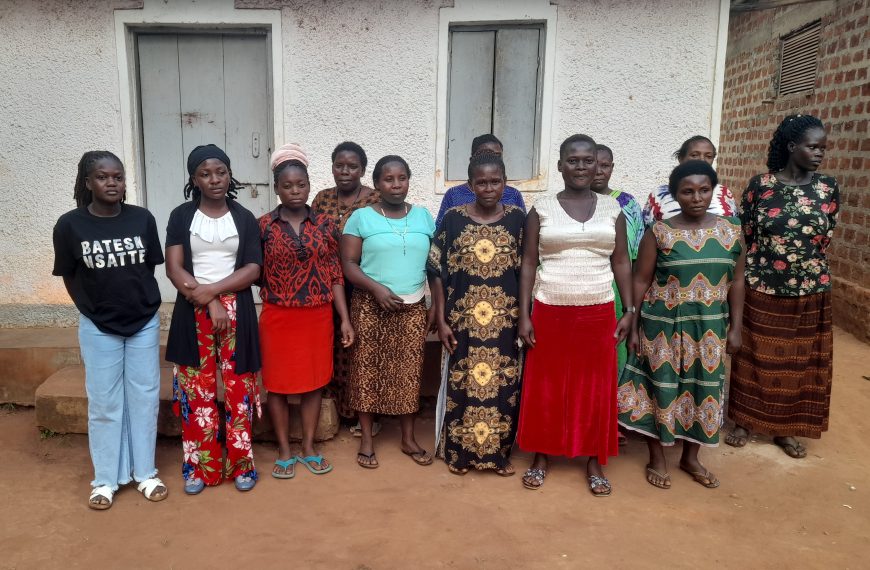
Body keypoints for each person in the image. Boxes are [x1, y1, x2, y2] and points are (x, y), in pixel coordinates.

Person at [516, 134, 634, 497]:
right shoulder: (542, 208)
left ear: (597, 165)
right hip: (549, 309)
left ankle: (594, 460)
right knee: (546, 387)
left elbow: (621, 261)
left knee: (595, 388)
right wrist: (524, 314)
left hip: (598, 310)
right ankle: (541, 456)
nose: (581, 167)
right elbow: (528, 263)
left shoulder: (612, 209)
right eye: (573, 160)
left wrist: (629, 309)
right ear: (560, 165)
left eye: (587, 160)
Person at [617, 161, 745, 489]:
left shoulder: (732, 230)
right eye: (687, 191)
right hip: (663, 326)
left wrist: (736, 327)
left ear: (713, 191)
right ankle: (657, 457)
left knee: (704, 389)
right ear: (675, 195)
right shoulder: (660, 232)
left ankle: (691, 457)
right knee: (661, 388)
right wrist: (633, 324)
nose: (696, 197)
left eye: (704, 190)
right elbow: (641, 279)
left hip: (710, 328)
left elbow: (738, 281)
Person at [52, 151, 167, 510]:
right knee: (104, 403)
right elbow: (69, 275)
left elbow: (148, 267)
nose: (112, 183)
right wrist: (91, 310)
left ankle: (145, 473)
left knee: (144, 397)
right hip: (99, 325)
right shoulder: (70, 225)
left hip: (143, 323)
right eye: (103, 177)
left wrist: (142, 308)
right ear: (88, 183)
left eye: (117, 176)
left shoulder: (142, 219)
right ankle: (104, 480)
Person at [726, 114, 839, 459]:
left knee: (800, 363)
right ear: (792, 147)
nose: (820, 153)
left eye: (823, 147)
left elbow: (825, 234)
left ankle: (785, 430)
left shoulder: (828, 187)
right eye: (813, 146)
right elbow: (744, 237)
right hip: (762, 285)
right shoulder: (761, 186)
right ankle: (745, 422)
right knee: (753, 358)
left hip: (811, 288)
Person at [165, 144, 263, 494]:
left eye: (220, 171)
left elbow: (253, 268)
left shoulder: (244, 218)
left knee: (239, 389)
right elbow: (174, 267)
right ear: (194, 179)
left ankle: (241, 464)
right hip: (192, 311)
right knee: (197, 391)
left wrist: (215, 293)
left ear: (229, 173)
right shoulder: (181, 216)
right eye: (205, 174)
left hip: (236, 310)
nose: (215, 179)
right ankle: (198, 466)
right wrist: (206, 300)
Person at [259, 144, 354, 479]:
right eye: (287, 186)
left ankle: (309, 447)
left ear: (309, 185)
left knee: (314, 384)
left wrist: (344, 318)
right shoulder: (263, 227)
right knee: (278, 385)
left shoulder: (327, 225)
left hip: (317, 316)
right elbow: (254, 270)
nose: (295, 191)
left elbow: (335, 275)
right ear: (276, 188)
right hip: (278, 316)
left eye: (301, 185)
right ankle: (285, 450)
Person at [429, 152, 524, 476]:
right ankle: (459, 456)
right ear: (470, 184)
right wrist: (441, 319)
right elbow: (435, 269)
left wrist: (525, 315)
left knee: (503, 389)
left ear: (505, 183)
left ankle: (498, 458)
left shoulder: (517, 219)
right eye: (481, 182)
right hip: (462, 322)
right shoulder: (453, 218)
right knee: (462, 386)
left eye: (495, 181)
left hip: (504, 324)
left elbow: (528, 271)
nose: (488, 188)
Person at [340, 155, 437, 469]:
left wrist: (434, 303)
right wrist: (376, 289)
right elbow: (348, 265)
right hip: (371, 305)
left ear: (409, 179)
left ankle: (408, 439)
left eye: (401, 178)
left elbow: (434, 266)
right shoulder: (360, 218)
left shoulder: (424, 217)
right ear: (377, 183)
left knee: (409, 374)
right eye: (388, 179)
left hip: (412, 307)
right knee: (367, 372)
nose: (396, 185)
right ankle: (367, 439)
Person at [311, 141, 381, 434]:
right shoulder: (322, 198)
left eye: (352, 166)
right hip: (327, 283)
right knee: (332, 342)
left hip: (365, 282)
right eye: (339, 165)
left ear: (363, 170)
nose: (345, 171)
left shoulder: (376, 198)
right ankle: (335, 408)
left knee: (362, 345)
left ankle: (365, 411)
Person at [592, 144, 644, 445]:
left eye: (605, 165)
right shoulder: (568, 204)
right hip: (582, 286)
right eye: (594, 164)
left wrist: (631, 306)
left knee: (616, 353)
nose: (598, 171)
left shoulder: (626, 204)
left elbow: (632, 257)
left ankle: (614, 420)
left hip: (616, 285)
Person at [641, 136, 737, 226]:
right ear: (681, 159)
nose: (702, 160)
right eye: (694, 155)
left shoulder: (723, 193)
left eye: (708, 156)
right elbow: (648, 230)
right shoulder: (659, 195)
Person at [435, 134, 526, 226]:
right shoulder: (454, 194)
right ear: (472, 159)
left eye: (498, 156)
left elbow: (523, 230)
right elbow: (441, 230)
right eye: (485, 155)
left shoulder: (513, 195)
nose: (491, 159)